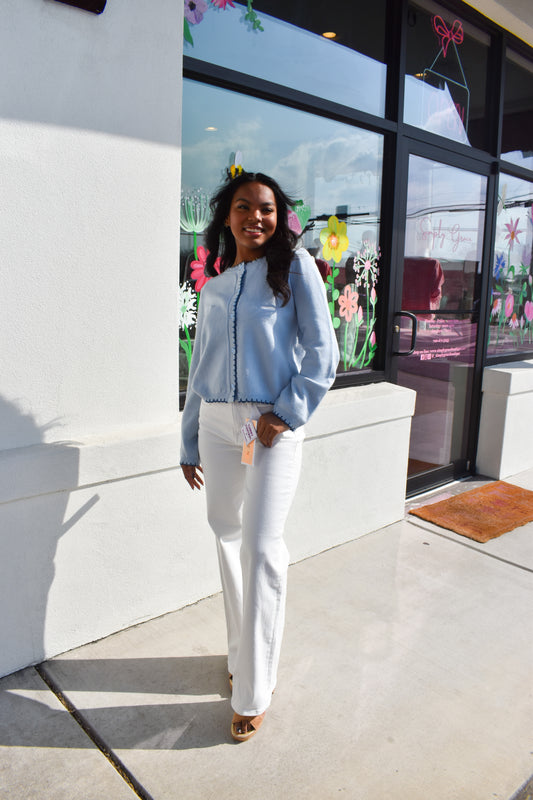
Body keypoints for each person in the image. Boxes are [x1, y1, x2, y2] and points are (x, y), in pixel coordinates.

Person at [180, 170, 339, 742]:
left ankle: (254, 689)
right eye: (244, 207)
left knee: (261, 546)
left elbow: (323, 353)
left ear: (279, 216)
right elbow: (200, 372)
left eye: (266, 208)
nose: (256, 217)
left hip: (269, 425)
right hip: (219, 427)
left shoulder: (296, 268)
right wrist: (188, 438)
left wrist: (287, 411)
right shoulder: (215, 289)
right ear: (227, 217)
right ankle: (238, 654)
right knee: (225, 533)